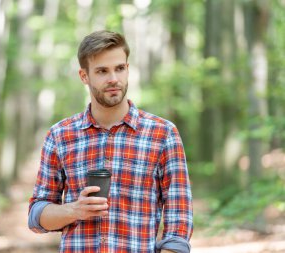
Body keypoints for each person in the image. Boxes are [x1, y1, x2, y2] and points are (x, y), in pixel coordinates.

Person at [28, 30, 193, 253]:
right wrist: (74, 210)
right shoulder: (60, 135)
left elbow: (179, 222)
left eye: (120, 68)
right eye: (102, 71)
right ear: (84, 76)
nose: (113, 78)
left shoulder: (163, 133)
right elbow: (37, 217)